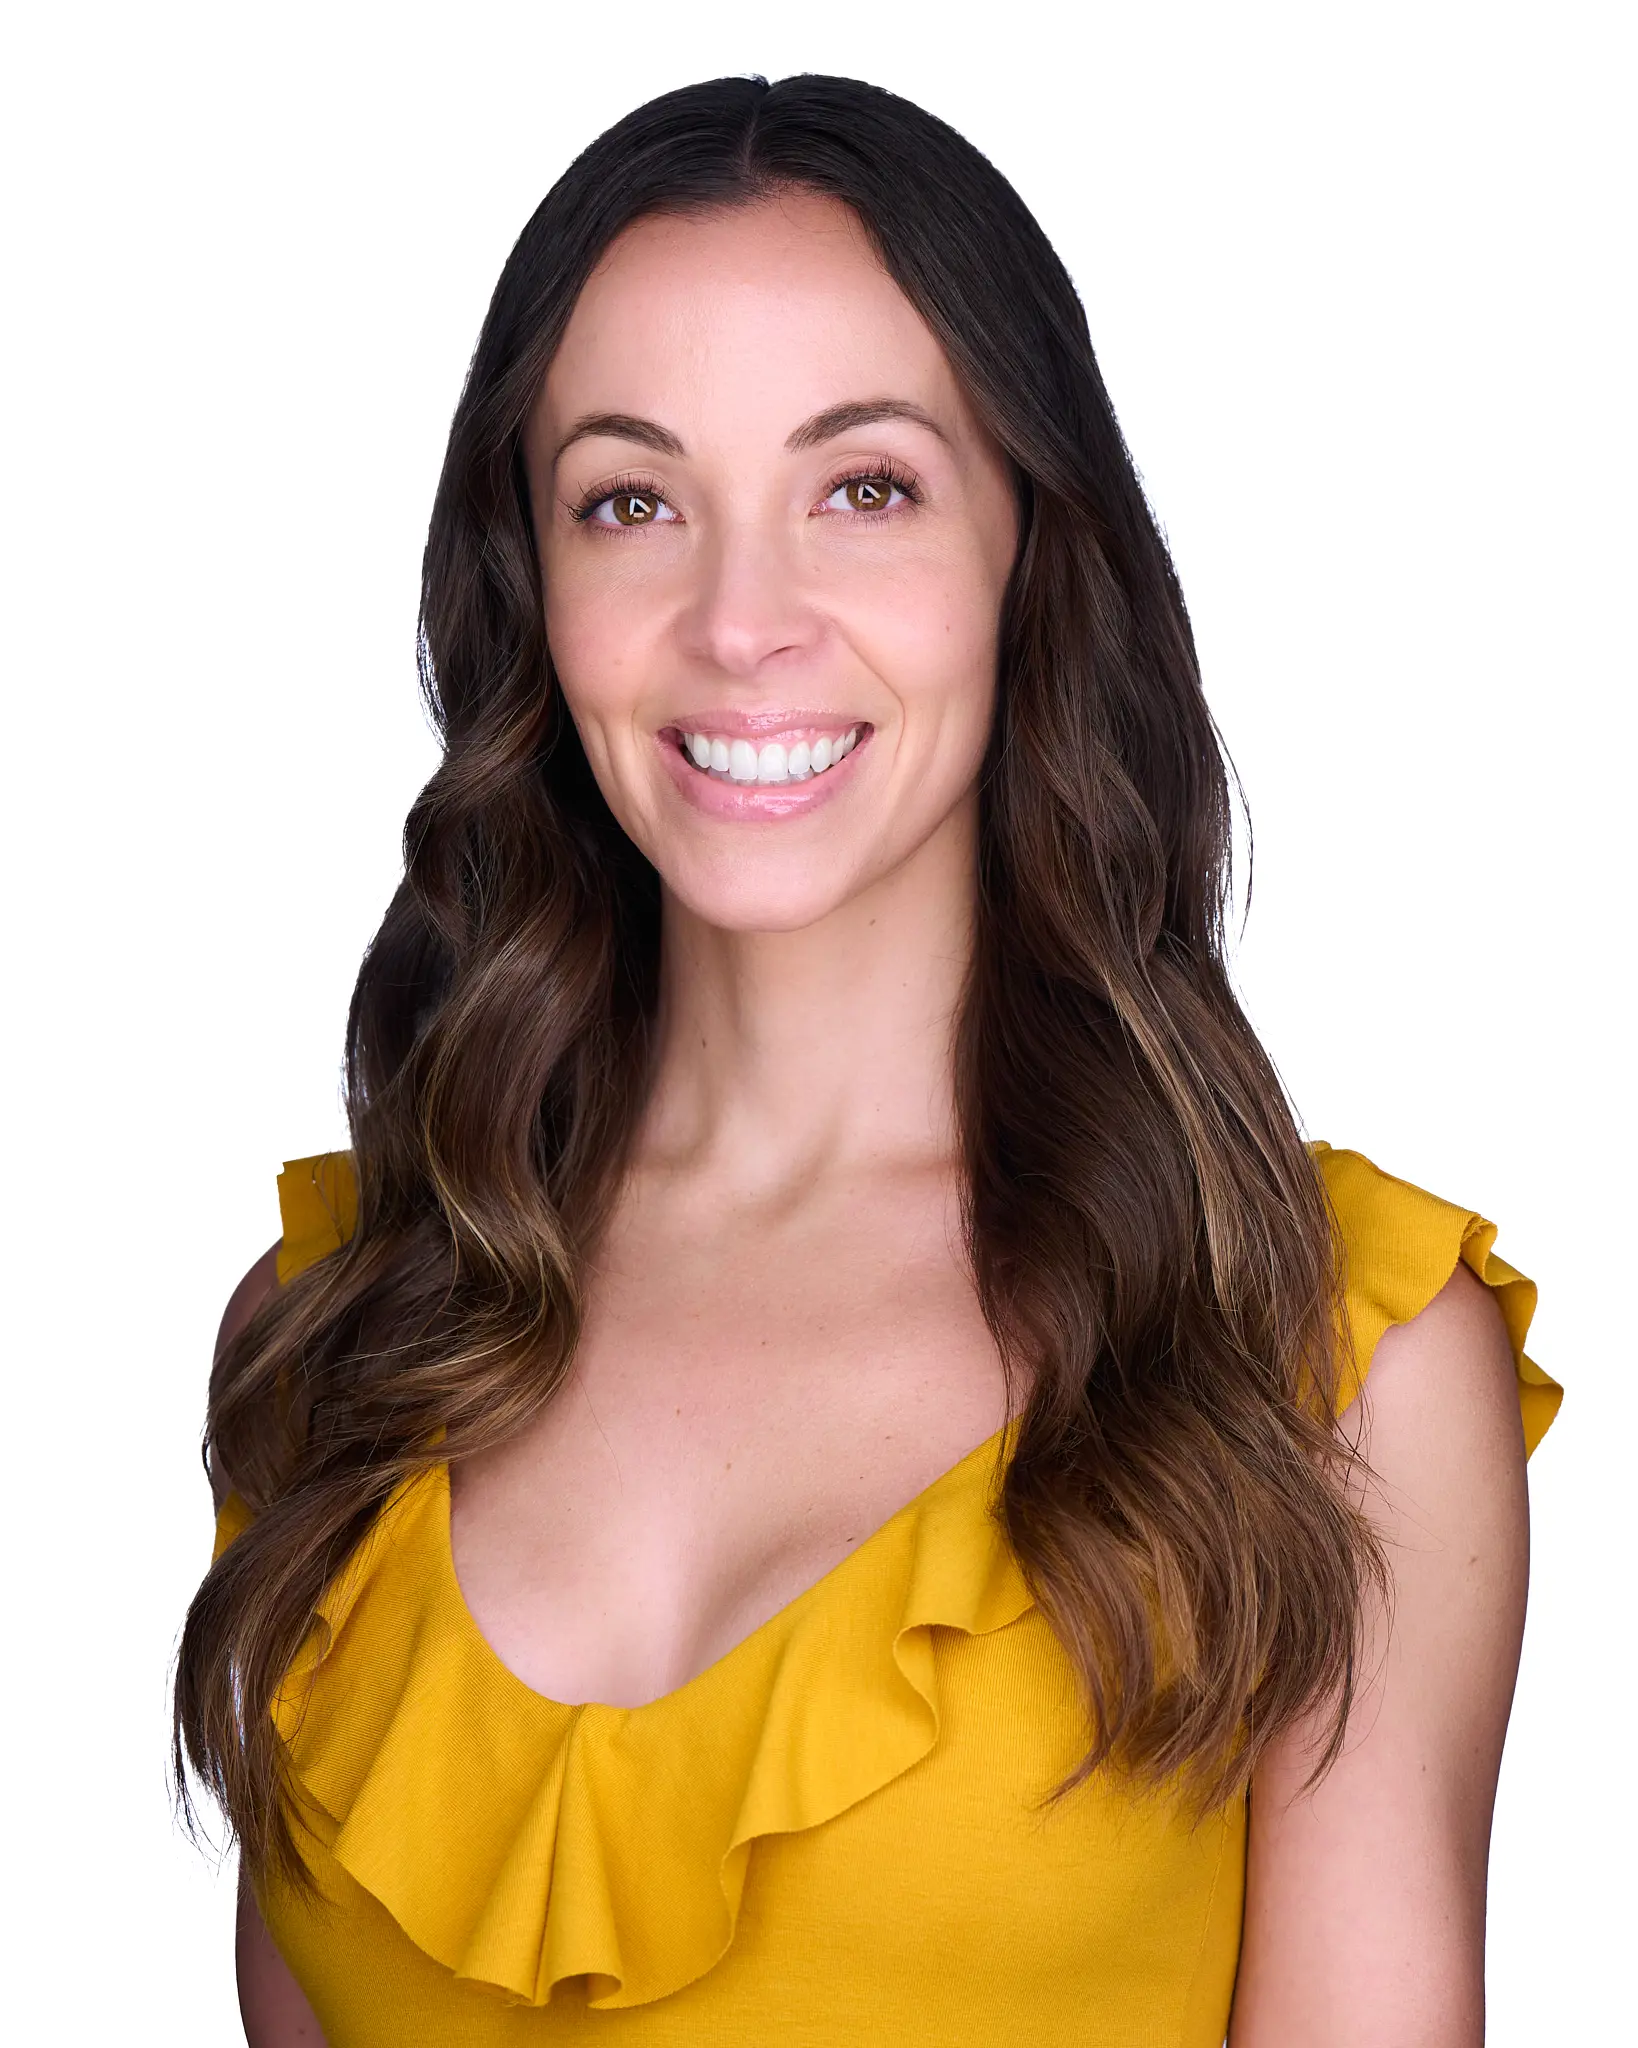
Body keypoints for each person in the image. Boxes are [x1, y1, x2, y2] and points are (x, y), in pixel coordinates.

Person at [176, 72, 1563, 2047]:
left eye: (866, 488)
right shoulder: (335, 1339)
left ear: (1030, 552)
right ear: (531, 589)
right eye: (630, 501)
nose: (740, 622)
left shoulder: (1321, 1363)